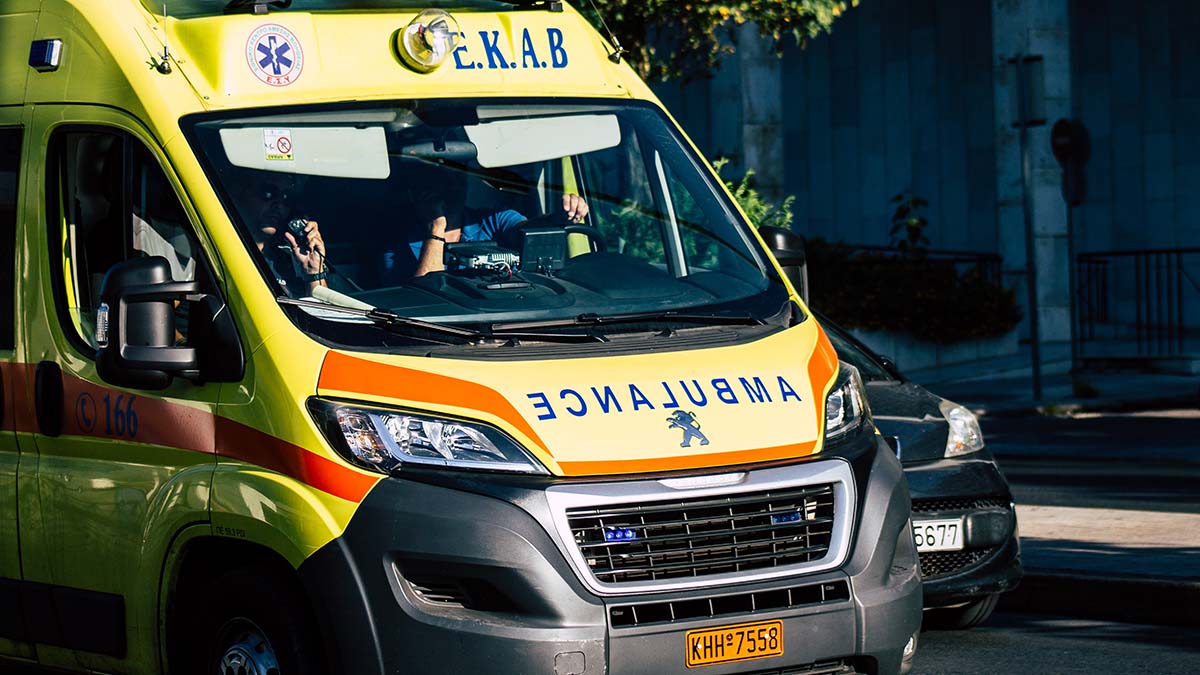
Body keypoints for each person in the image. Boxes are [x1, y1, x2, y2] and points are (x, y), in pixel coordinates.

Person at [408, 164, 589, 277]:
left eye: (459, 175)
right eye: (441, 178)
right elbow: (423, 301)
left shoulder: (493, 219)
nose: (453, 186)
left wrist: (559, 217)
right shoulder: (399, 237)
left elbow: (527, 231)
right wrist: (436, 230)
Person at [234, 173, 329, 296]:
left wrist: (313, 271)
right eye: (268, 193)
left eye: (286, 198)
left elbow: (319, 307)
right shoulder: (217, 248)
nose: (279, 205)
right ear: (240, 193)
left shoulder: (287, 262)